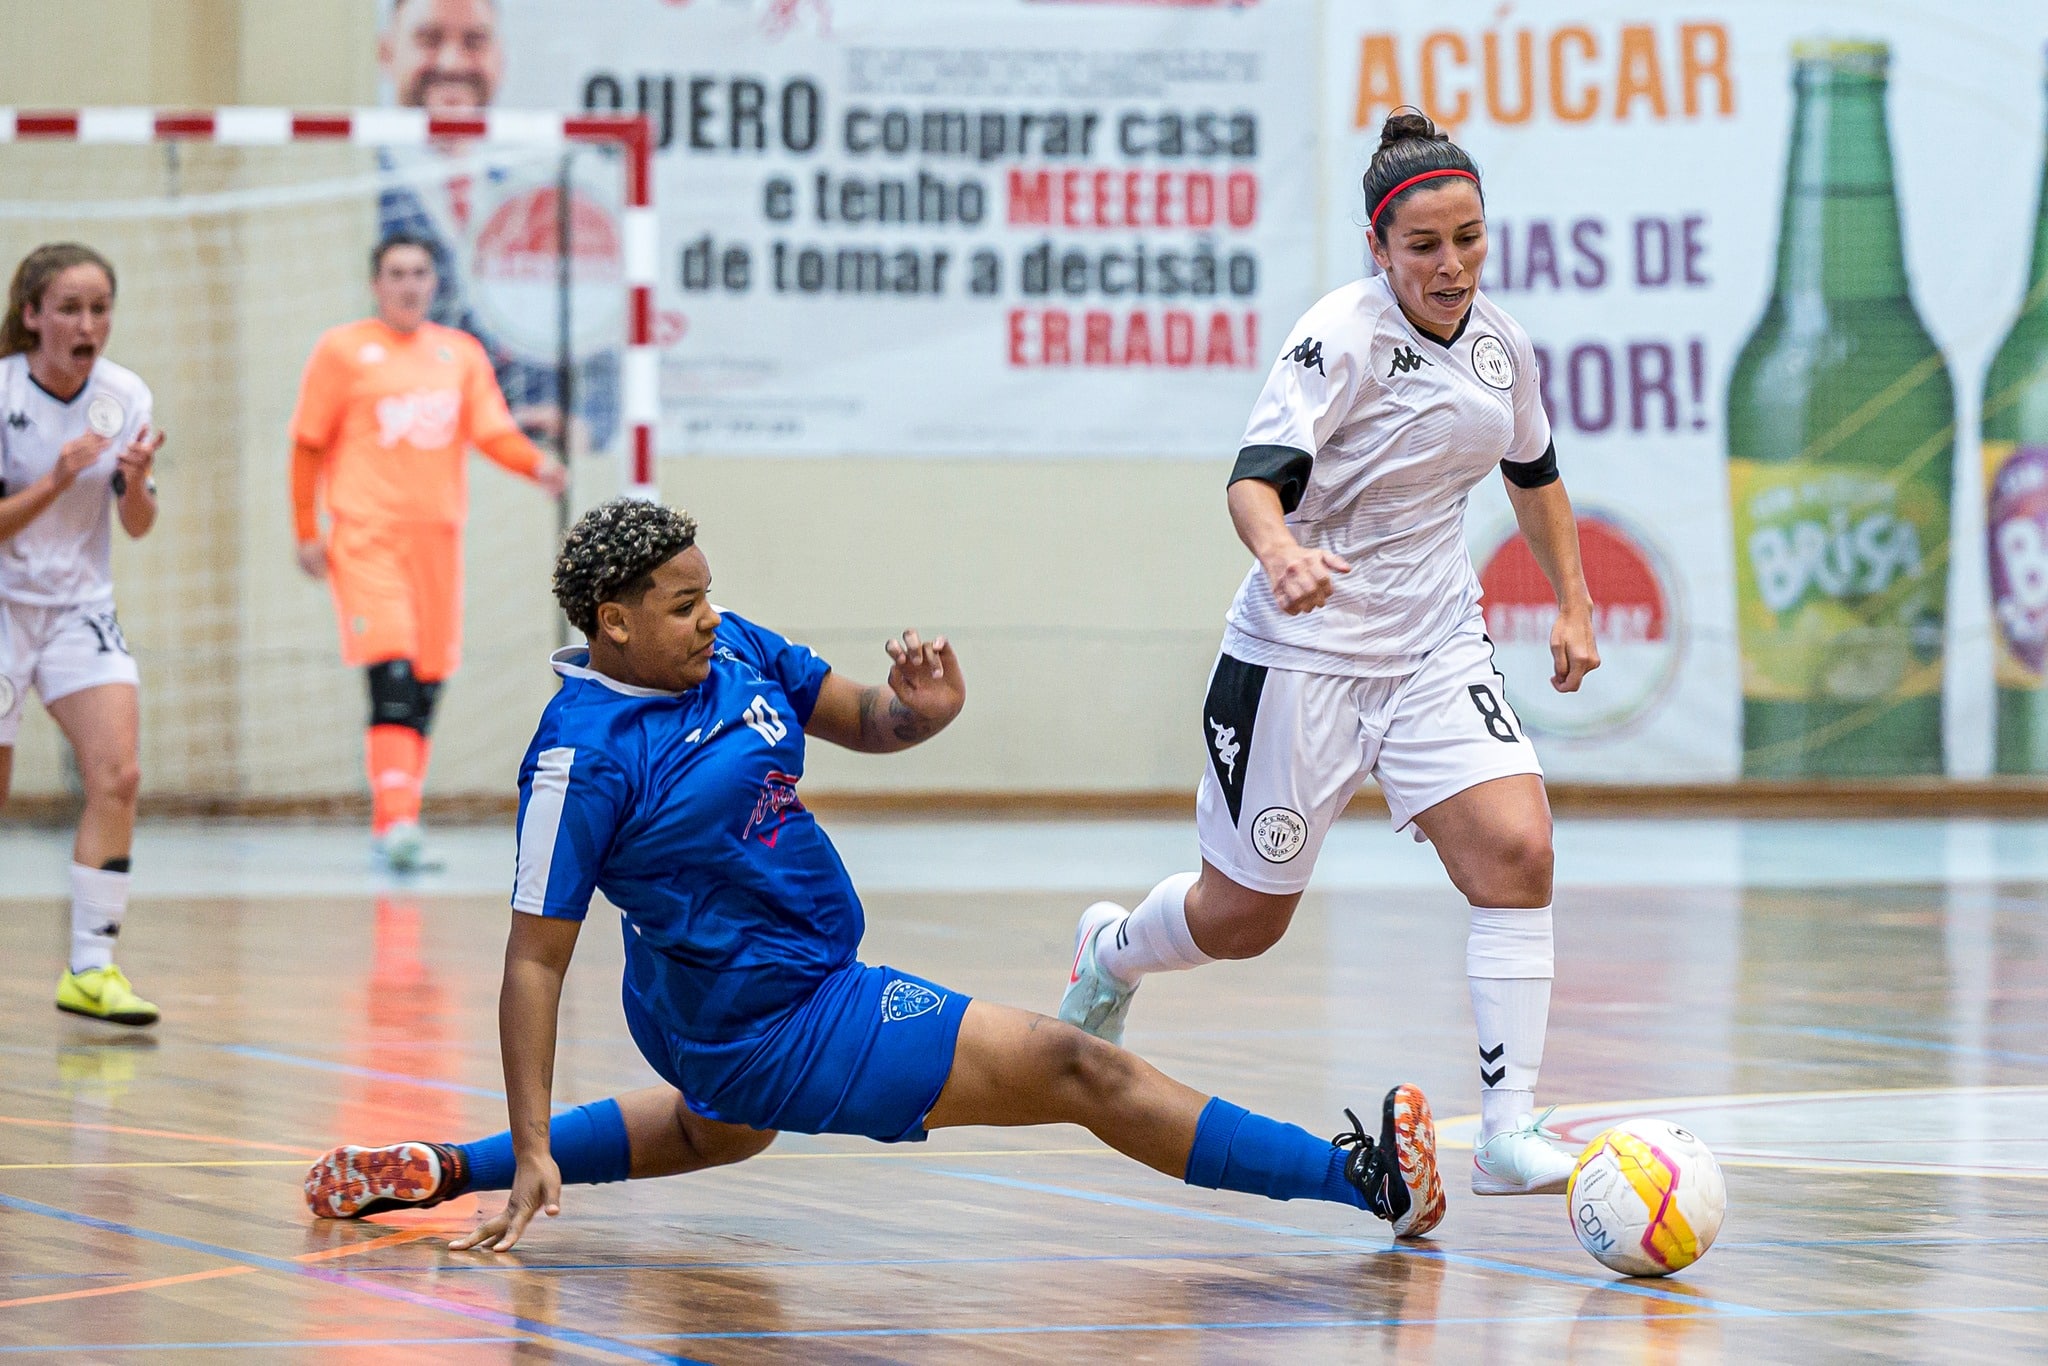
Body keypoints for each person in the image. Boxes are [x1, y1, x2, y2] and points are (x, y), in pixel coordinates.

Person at [302, 499, 1447, 1249]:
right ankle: (1366, 1183)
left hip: (738, 1000)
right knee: (1074, 1065)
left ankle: (439, 1168)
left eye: (707, 593)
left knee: (718, 1130)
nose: (708, 617)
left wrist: (918, 713)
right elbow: (533, 963)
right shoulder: (580, 758)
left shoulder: (732, 648)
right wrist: (535, 1142)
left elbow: (859, 716)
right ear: (611, 623)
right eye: (681, 605)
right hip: (768, 1015)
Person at [1059, 110, 1602, 1198]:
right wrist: (1282, 555)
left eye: (1468, 239)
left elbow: (1532, 475)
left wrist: (1573, 604)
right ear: (1377, 248)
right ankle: (1111, 950)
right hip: (1300, 657)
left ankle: (1506, 1132)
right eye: (1423, 246)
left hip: (1433, 647)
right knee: (1241, 921)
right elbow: (1252, 481)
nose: (1450, 266)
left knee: (1518, 851)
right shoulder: (1338, 338)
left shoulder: (1501, 348)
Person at [290, 232, 568, 871]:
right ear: (375, 283)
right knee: (390, 668)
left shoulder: (459, 354)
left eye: (419, 272)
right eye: (396, 273)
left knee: (426, 681)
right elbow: (307, 444)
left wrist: (536, 465)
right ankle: (396, 824)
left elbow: (492, 431)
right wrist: (306, 529)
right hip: (367, 537)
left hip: (437, 543)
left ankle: (399, 821)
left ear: (434, 283)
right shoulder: (342, 351)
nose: (409, 284)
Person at [0, 243, 168, 1026]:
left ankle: (92, 969)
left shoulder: (124, 395)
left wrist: (132, 480)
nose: (87, 324)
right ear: (32, 315)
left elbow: (137, 524)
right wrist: (59, 477)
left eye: (99, 309)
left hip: (78, 611)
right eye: (69, 308)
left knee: (118, 773)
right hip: (4, 607)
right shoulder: (4, 393)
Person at [376, 0, 621, 453]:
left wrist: (580, 424)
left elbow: (595, 333)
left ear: (500, 57)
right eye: (429, 40)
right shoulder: (353, 191)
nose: (452, 62)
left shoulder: (535, 192)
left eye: (474, 42)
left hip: (522, 469)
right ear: (386, 52)